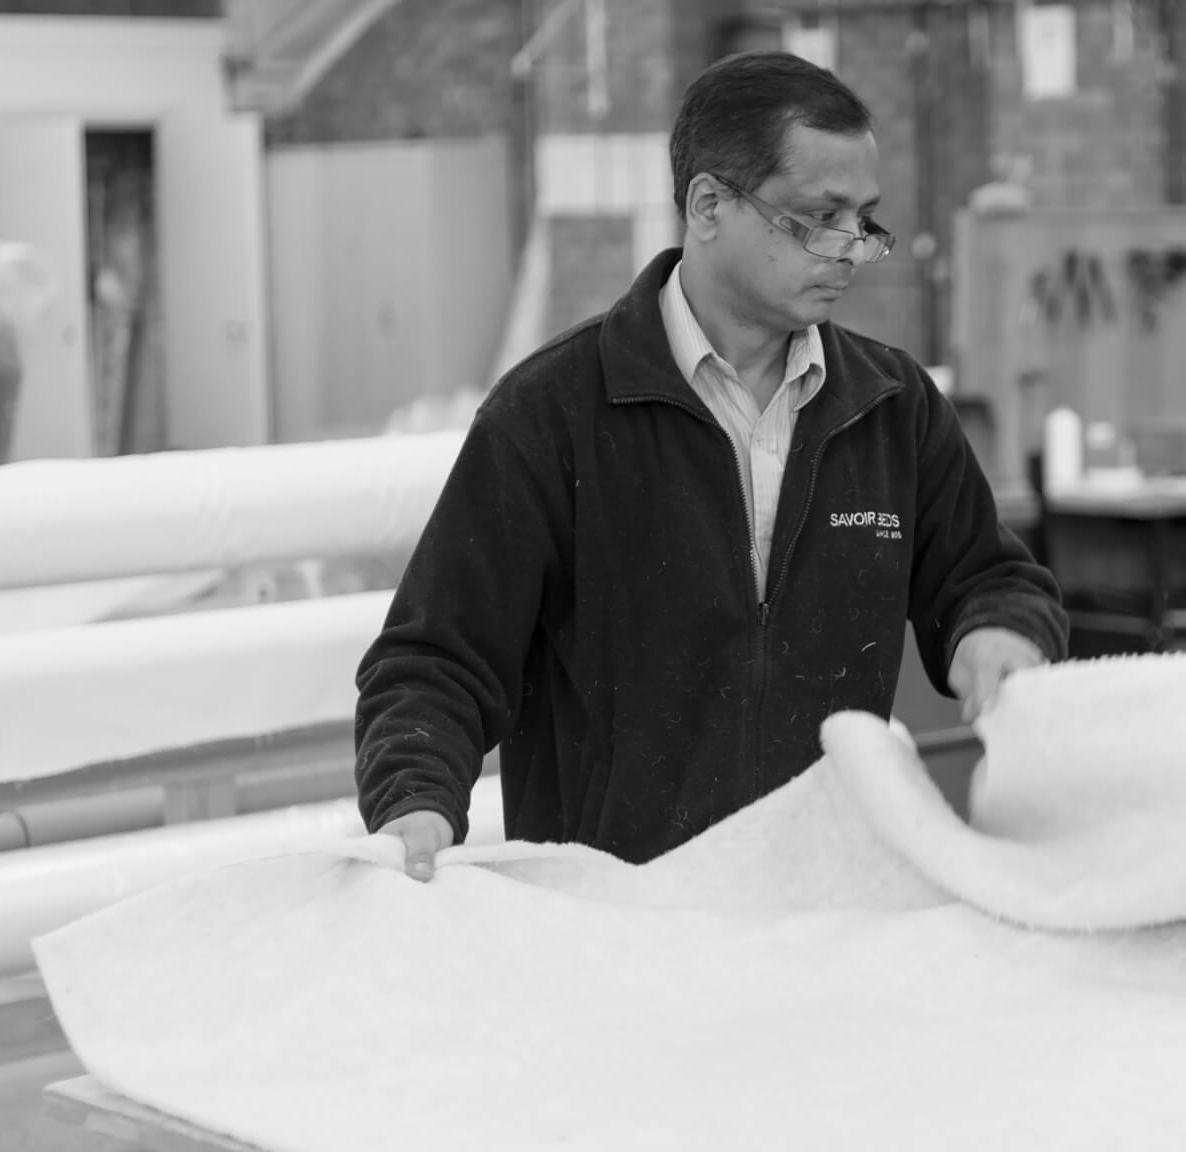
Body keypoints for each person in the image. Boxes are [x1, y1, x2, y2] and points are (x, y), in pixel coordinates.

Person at [354, 51, 1068, 881]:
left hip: (830, 916)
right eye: (816, 216)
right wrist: (416, 804)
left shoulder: (892, 407)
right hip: (617, 929)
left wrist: (999, 636)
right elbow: (435, 660)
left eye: (863, 220)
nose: (846, 248)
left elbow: (987, 577)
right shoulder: (551, 415)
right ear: (708, 206)